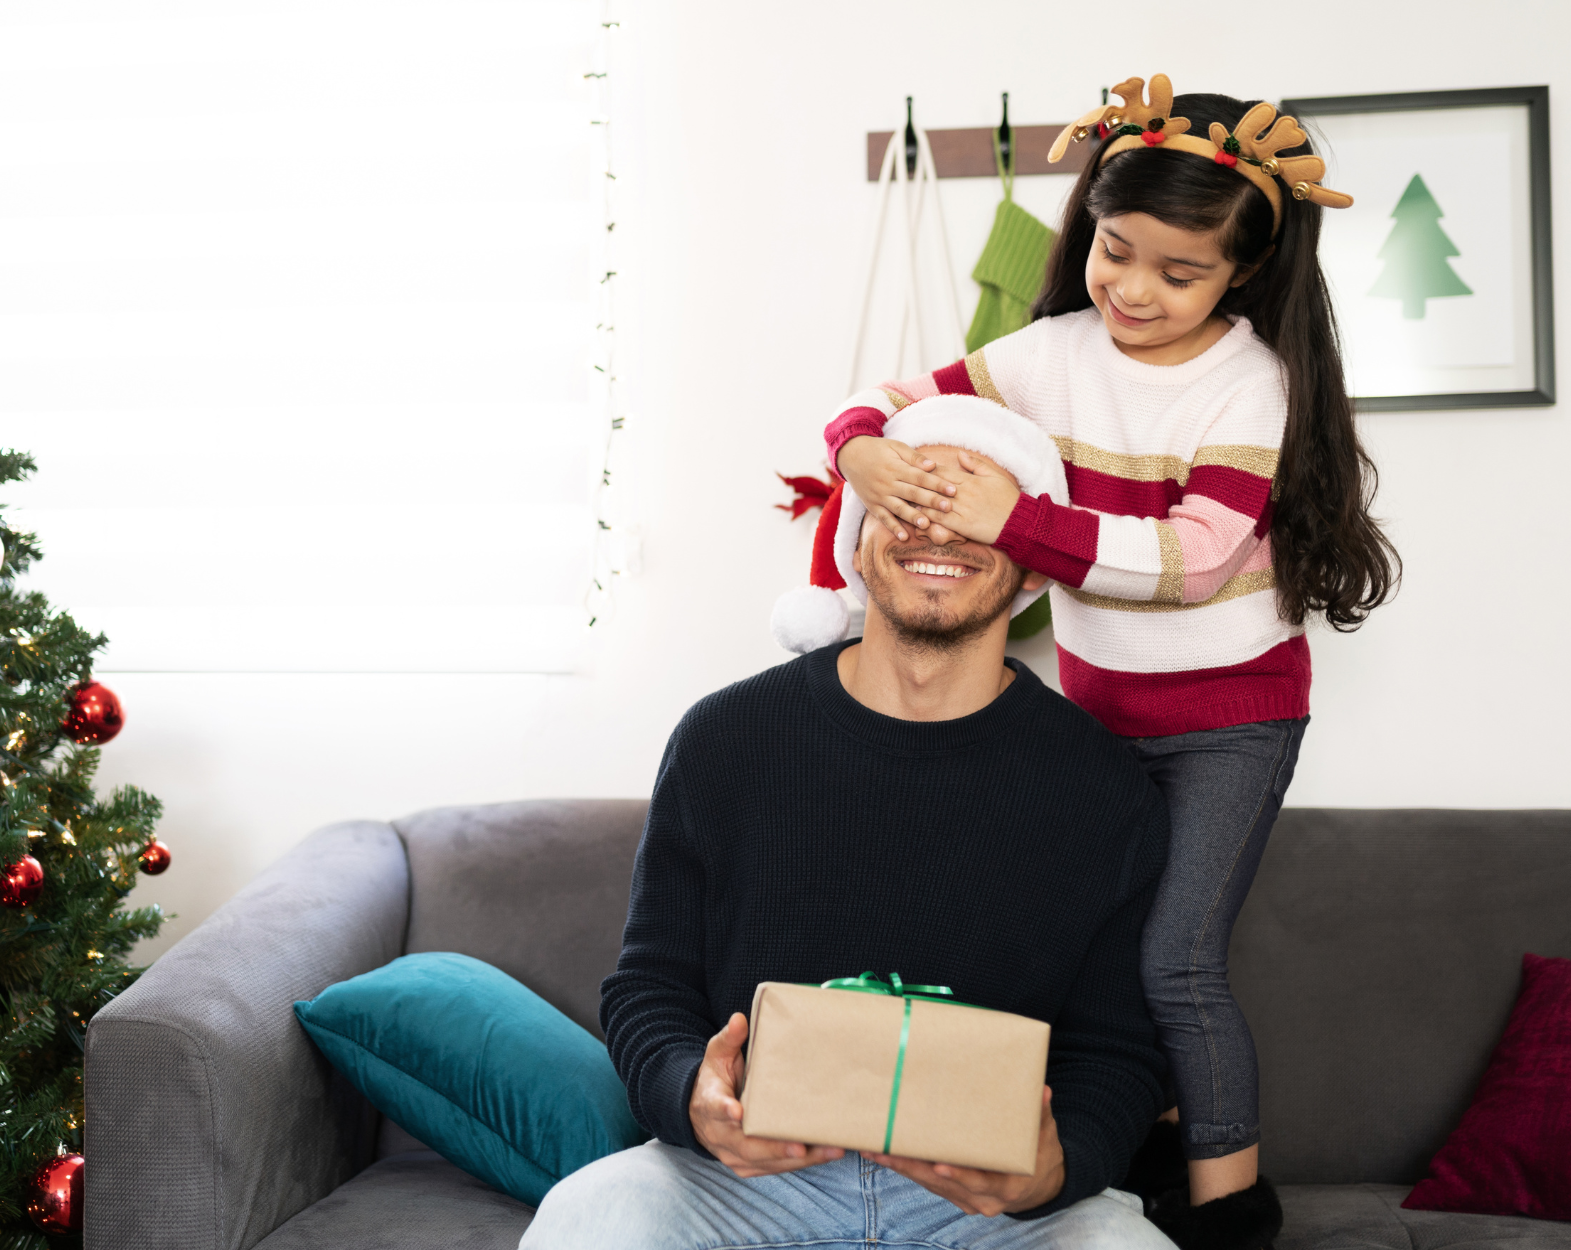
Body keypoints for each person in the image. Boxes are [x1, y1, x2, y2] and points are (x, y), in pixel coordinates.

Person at [819, 74, 1401, 1248]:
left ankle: (1232, 1215)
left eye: (1175, 271)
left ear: (1241, 270)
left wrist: (1013, 519)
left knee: (1176, 959)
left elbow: (1190, 560)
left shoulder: (1249, 383)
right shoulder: (1045, 352)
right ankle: (1125, 1156)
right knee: (1086, 953)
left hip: (1232, 716)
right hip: (1093, 712)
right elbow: (879, 398)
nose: (1132, 289)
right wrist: (863, 450)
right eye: (1112, 250)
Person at [522, 405, 1177, 1250]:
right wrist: (694, 1097)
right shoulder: (727, 739)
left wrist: (1056, 1168)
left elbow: (1119, 1048)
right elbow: (649, 987)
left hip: (985, 1208)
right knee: (589, 1220)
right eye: (909, 503)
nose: (938, 530)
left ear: (1029, 565)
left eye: (975, 508)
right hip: (743, 1184)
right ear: (856, 541)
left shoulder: (1102, 786)